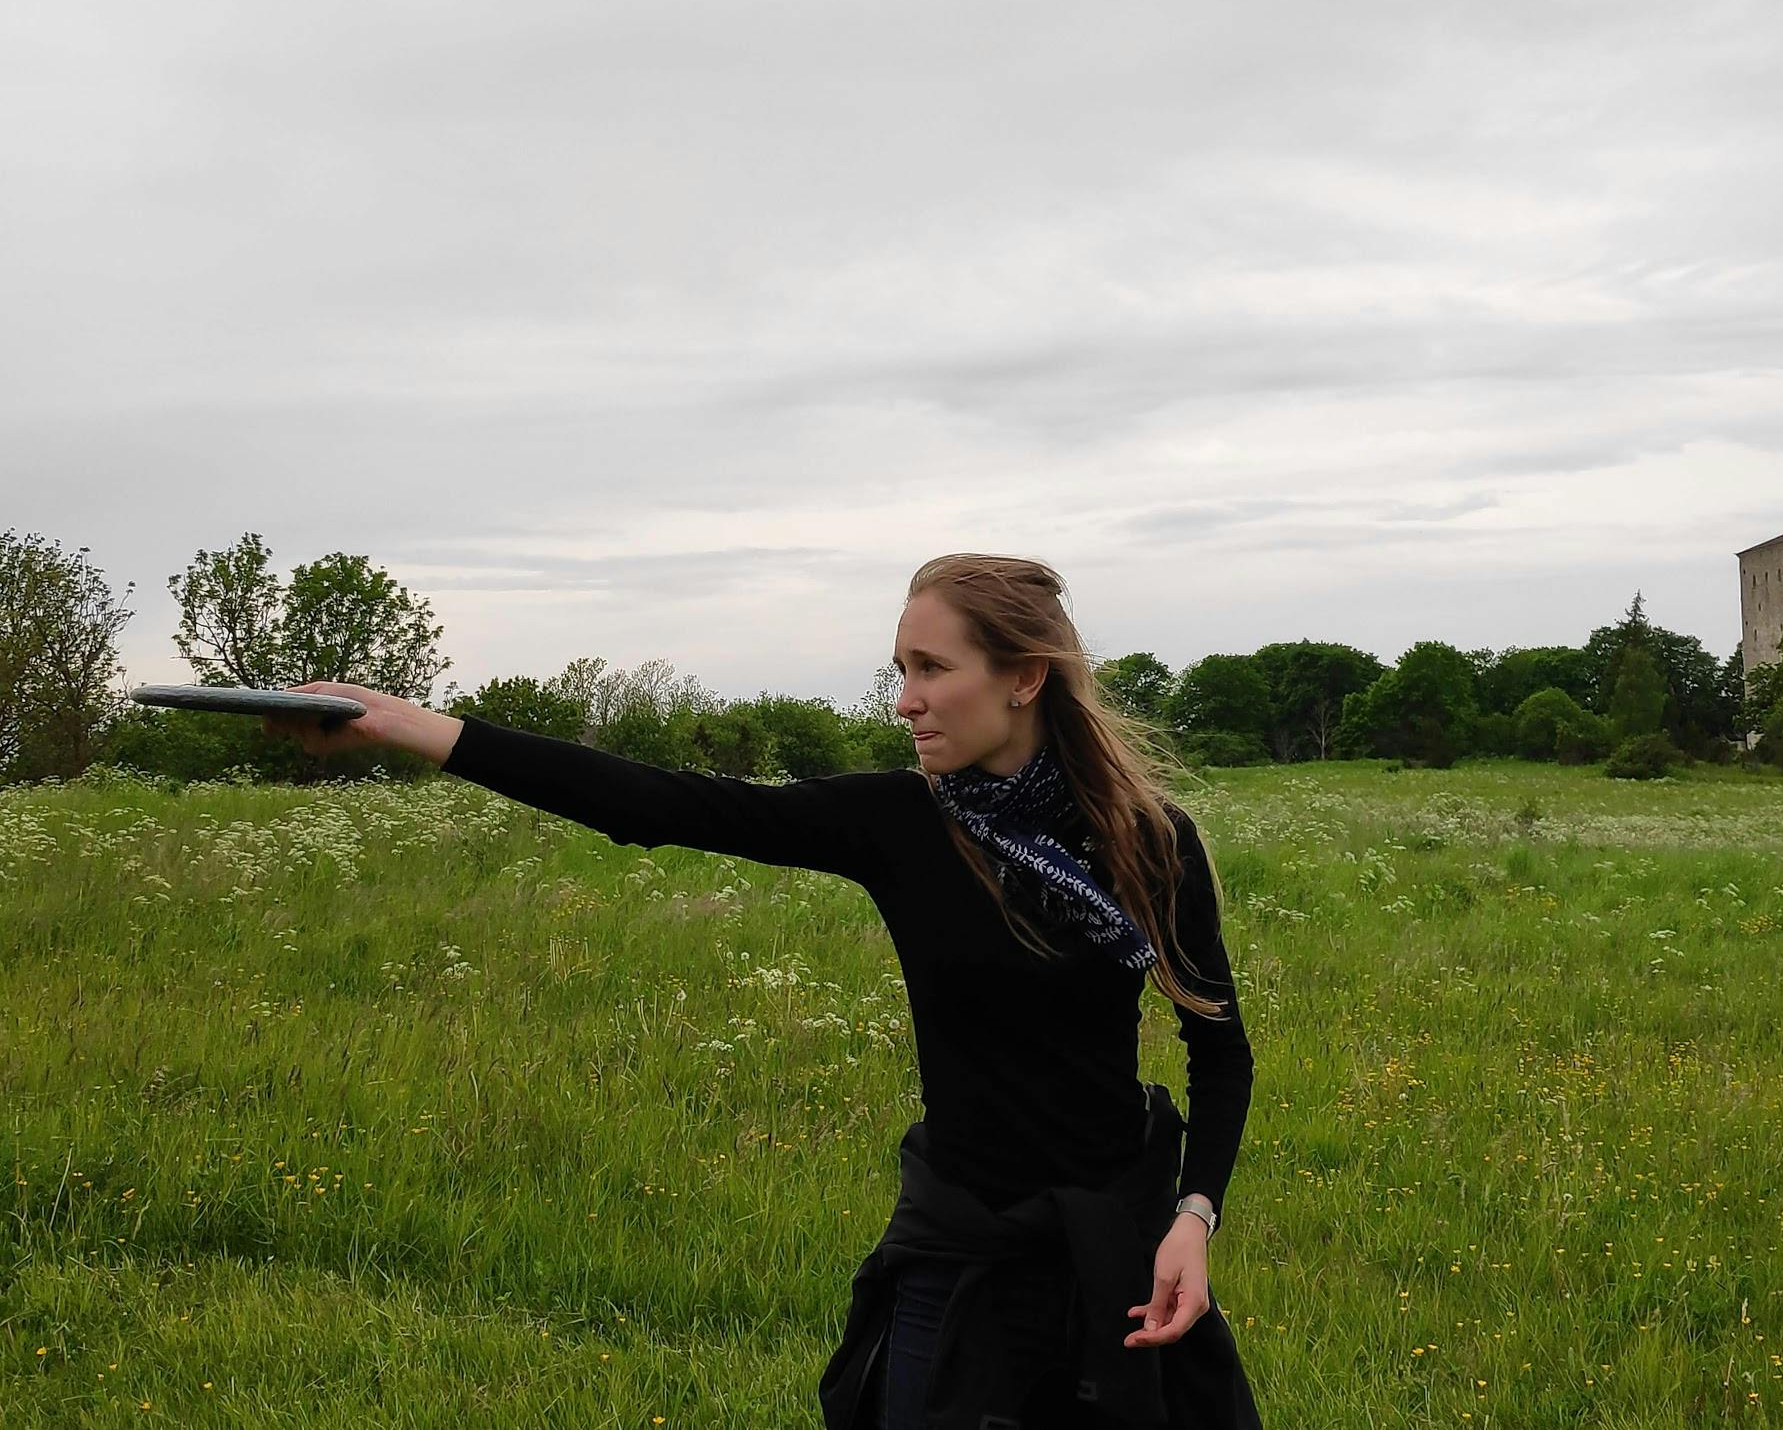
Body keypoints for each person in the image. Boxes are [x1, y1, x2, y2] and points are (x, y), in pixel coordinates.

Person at [263, 553, 1261, 1428]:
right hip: (956, 1252)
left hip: (1117, 1257)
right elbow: (657, 804)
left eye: (932, 668)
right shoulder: (899, 821)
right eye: (900, 670)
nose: (904, 699)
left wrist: (1193, 1216)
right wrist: (404, 723)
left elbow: (1218, 1046)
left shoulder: (1148, 840)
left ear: (1024, 677)